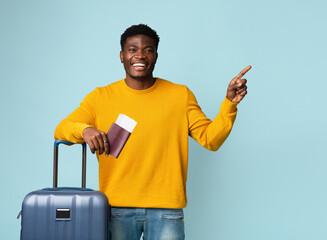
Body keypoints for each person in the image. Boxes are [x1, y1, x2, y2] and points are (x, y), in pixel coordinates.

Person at [54, 24, 251, 240]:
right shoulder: (100, 97)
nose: (140, 55)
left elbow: (211, 139)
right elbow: (61, 129)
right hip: (116, 209)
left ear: (156, 56)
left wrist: (229, 104)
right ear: (122, 55)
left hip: (166, 211)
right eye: (132, 49)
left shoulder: (180, 95)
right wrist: (85, 130)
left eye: (147, 50)